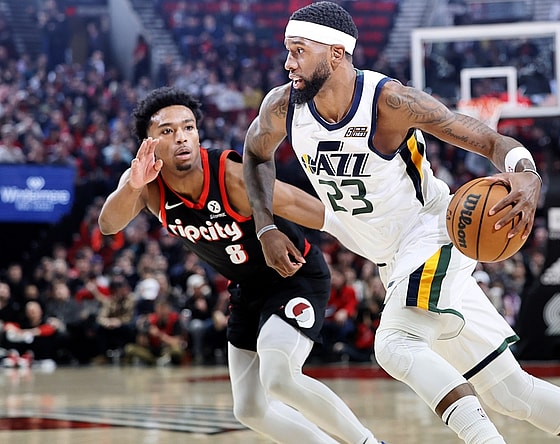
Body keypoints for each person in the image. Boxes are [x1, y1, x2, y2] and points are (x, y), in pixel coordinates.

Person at [242, 2, 560, 443]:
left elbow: (490, 139)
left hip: (431, 234)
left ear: (336, 53)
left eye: (298, 50)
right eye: (288, 50)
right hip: (391, 259)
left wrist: (526, 172)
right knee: (512, 393)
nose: (288, 62)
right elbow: (256, 155)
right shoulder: (283, 106)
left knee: (394, 345)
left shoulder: (389, 103)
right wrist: (265, 227)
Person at [98, 87, 381, 443]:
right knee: (249, 409)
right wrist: (132, 186)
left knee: (280, 378)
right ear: (148, 143)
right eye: (167, 131)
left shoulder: (230, 176)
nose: (181, 137)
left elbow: (306, 207)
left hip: (294, 276)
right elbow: (108, 224)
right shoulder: (145, 183)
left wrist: (379, 250)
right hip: (247, 290)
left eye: (188, 127)